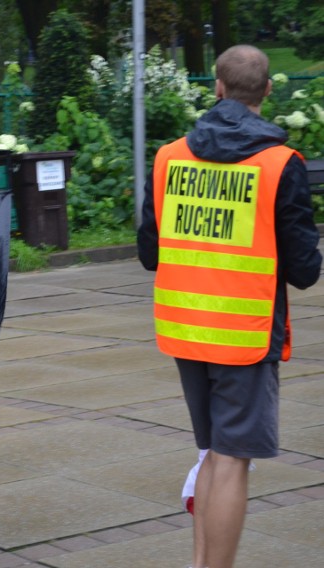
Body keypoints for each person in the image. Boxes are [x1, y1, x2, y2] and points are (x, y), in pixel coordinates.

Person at [137, 45, 321, 568]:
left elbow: (151, 253)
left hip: (185, 328)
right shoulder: (280, 164)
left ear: (217, 87)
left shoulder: (170, 157)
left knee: (211, 455)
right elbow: (305, 271)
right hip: (243, 334)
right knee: (233, 461)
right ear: (267, 91)